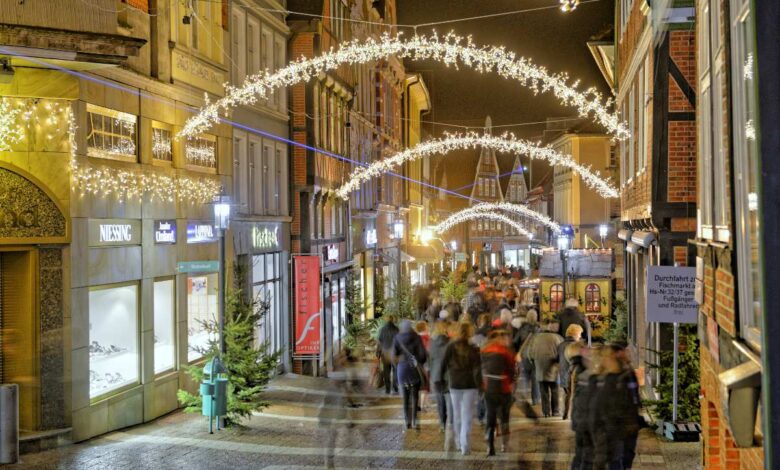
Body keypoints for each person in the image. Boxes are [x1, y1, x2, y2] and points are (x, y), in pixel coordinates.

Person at [438, 322, 482, 455]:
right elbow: (478, 369)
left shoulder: (451, 346)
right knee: (467, 415)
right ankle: (465, 444)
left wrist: (441, 380)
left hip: (455, 383)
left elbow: (443, 364)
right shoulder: (474, 347)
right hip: (470, 384)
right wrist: (480, 386)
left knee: (456, 415)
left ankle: (458, 441)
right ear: (470, 333)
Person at [481, 329, 516, 456]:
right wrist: (512, 384)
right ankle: (504, 445)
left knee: (490, 417)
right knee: (504, 418)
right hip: (503, 388)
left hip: (489, 388)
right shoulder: (506, 352)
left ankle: (490, 446)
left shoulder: (484, 350)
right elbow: (512, 371)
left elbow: (481, 368)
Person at [393, 319, 427, 431]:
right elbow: (423, 355)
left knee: (405, 398)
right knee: (415, 396)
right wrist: (419, 361)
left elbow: (394, 356)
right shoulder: (417, 337)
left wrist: (398, 364)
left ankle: (406, 421)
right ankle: (414, 421)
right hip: (414, 369)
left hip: (402, 370)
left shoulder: (397, 338)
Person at [527, 319, 564, 417]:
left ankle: (546, 412)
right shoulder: (558, 338)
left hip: (540, 367)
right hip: (553, 368)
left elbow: (529, 353)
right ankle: (555, 411)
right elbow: (562, 352)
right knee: (555, 389)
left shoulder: (535, 338)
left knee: (543, 391)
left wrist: (534, 363)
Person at [428, 320, 453, 433]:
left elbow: (429, 361)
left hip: (436, 375)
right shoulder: (450, 343)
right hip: (449, 375)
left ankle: (442, 423)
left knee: (440, 401)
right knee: (450, 401)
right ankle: (451, 423)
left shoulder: (431, 343)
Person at [515, 309, 541, 404]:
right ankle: (536, 399)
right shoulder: (539, 329)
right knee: (535, 378)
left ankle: (522, 398)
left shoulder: (522, 328)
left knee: (524, 375)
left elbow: (516, 341)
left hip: (524, 355)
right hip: (536, 356)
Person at [558, 324, 584, 420]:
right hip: (573, 373)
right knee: (575, 395)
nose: (580, 336)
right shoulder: (576, 346)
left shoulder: (561, 345)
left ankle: (565, 414)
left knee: (567, 394)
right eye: (580, 334)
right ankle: (574, 415)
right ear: (575, 334)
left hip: (563, 373)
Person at [376, 315, 399, 395]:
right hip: (394, 353)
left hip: (385, 353)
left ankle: (387, 389)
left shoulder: (382, 330)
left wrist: (378, 353)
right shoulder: (396, 329)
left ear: (386, 320)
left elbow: (379, 342)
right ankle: (395, 387)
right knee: (395, 370)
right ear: (392, 320)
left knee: (386, 372)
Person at [415, 321, 432, 410]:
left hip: (416, 364)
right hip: (427, 364)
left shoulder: (414, 338)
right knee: (425, 385)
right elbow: (430, 351)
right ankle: (423, 404)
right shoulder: (427, 337)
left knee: (418, 385)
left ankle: (422, 403)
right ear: (424, 327)